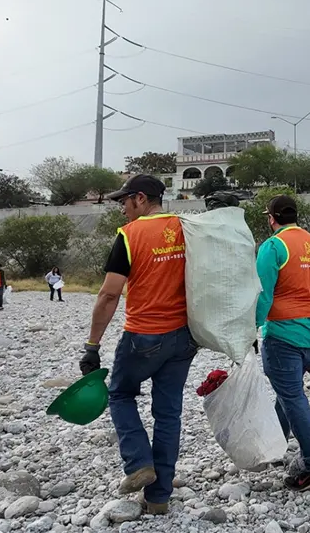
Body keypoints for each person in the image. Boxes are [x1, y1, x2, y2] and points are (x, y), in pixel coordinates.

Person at [77, 174, 197, 515]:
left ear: (140, 199)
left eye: (123, 201)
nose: (121, 209)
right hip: (184, 337)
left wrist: (92, 345)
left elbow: (109, 294)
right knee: (168, 412)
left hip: (143, 335)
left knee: (119, 393)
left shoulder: (130, 236)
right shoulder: (187, 228)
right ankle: (159, 498)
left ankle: (138, 461)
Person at [255, 195, 310, 491]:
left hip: (283, 335)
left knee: (291, 396)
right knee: (287, 391)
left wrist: (250, 329)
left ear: (272, 218)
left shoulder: (273, 247)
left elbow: (263, 295)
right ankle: (274, 446)